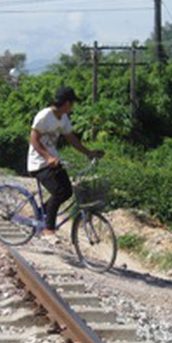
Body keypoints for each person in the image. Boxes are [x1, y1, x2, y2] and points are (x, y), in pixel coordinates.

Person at [27, 86, 103, 238]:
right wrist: (48, 157)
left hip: (54, 162)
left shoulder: (63, 118)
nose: (73, 107)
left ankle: (41, 213)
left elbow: (71, 138)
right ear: (67, 103)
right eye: (72, 103)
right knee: (59, 192)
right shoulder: (44, 116)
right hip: (38, 163)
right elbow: (33, 139)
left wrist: (88, 152)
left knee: (67, 192)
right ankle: (49, 228)